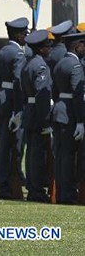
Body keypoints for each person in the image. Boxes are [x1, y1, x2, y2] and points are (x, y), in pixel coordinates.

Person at [0, 17, 28, 199]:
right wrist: (18, 109)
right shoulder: (18, 54)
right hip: (12, 102)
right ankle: (6, 183)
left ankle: (2, 181)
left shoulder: (3, 51)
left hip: (1, 99)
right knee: (14, 145)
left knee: (2, 144)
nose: (25, 37)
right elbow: (18, 82)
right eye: (23, 34)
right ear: (16, 35)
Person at [52, 32, 85, 204]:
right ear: (77, 46)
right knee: (68, 156)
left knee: (60, 155)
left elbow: (54, 90)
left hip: (58, 110)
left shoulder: (60, 63)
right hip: (69, 114)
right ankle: (68, 194)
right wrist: (80, 120)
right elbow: (78, 95)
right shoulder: (76, 65)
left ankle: (60, 192)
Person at [21, 29, 54, 202]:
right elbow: (42, 94)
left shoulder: (28, 64)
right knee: (38, 154)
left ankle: (33, 186)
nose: (50, 49)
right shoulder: (40, 65)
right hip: (37, 113)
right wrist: (45, 119)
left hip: (29, 111)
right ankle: (37, 190)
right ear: (41, 49)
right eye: (47, 46)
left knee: (32, 152)